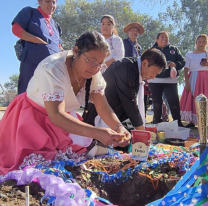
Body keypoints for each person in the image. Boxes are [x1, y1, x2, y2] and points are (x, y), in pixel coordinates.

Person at [0, 31, 131, 175]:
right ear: (76, 51)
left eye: (100, 63)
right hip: (32, 120)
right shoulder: (53, 68)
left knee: (69, 165)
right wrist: (97, 133)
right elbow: (56, 114)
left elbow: (102, 106)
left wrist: (119, 127)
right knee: (35, 170)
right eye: (92, 60)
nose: (95, 68)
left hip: (64, 122)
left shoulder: (93, 74)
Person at [83, 48, 166, 132]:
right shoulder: (126, 68)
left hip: (115, 117)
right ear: (145, 63)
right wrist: (142, 132)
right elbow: (130, 104)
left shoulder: (135, 69)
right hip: (97, 118)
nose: (153, 77)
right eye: (154, 73)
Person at [12, 0, 63, 94]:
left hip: (52, 69)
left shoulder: (55, 25)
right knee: (28, 95)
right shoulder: (29, 13)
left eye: (54, 2)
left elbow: (59, 45)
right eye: (48, 1)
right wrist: (35, 39)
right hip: (32, 66)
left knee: (49, 98)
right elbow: (16, 29)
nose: (51, 5)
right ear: (39, 1)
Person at [148, 31, 185, 127]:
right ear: (156, 39)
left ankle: (178, 122)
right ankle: (156, 122)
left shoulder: (174, 49)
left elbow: (182, 61)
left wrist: (175, 64)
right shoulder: (151, 50)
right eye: (162, 37)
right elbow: (146, 63)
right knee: (156, 102)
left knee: (174, 101)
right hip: (154, 80)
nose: (164, 39)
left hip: (170, 80)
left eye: (166, 37)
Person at [180, 34, 208, 128]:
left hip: (206, 78)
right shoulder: (190, 54)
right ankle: (192, 121)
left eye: (203, 41)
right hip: (194, 77)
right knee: (193, 97)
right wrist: (187, 82)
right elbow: (186, 68)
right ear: (196, 43)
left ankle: (203, 121)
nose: (201, 43)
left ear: (206, 43)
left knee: (206, 97)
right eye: (199, 41)